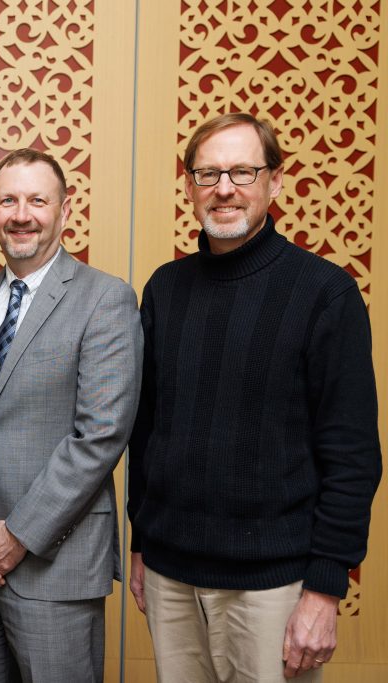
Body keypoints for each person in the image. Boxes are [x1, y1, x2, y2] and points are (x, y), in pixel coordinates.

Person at [128, 112, 382, 682]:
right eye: (208, 173)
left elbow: (352, 455)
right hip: (170, 578)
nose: (224, 188)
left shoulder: (325, 292)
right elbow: (148, 433)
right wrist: (142, 542)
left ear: (275, 181)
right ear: (190, 187)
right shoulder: (165, 289)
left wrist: (324, 588)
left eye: (243, 171)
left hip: (273, 587)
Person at [0, 148, 143, 683]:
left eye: (38, 200)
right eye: (7, 200)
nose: (21, 214)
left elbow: (100, 435)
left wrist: (20, 533)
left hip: (55, 564)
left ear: (64, 210)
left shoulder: (105, 299)